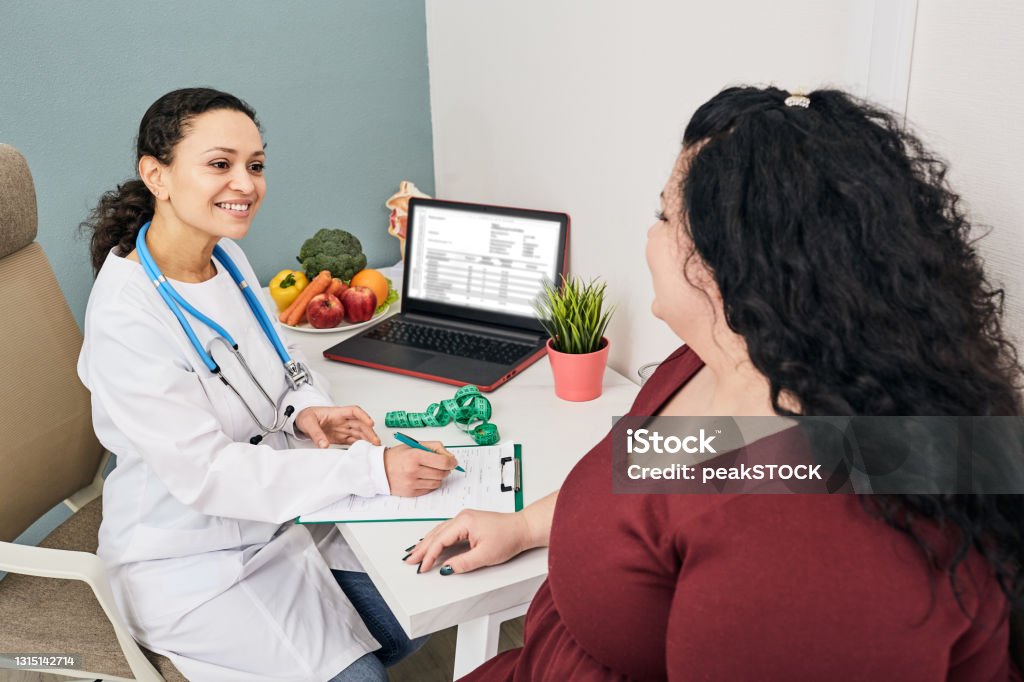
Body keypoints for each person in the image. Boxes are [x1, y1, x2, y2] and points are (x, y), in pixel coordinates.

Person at [404, 86, 1024, 680]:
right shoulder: (716, 362)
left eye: (664, 215)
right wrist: (526, 526)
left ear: (734, 263)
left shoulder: (809, 548)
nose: (650, 236)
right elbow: (650, 472)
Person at [77, 87, 459, 682]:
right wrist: (373, 469)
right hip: (191, 557)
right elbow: (209, 475)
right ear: (157, 174)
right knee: (363, 676)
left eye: (255, 165)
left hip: (280, 517)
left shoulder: (226, 257)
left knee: (431, 589)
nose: (246, 184)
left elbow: (283, 367)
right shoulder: (127, 316)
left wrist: (306, 411)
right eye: (220, 164)